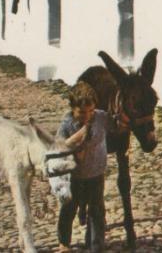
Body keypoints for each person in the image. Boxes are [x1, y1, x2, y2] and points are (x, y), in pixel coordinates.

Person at [57, 81, 115, 253]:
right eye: (82, 112)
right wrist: (75, 145)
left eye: (90, 111)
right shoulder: (67, 123)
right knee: (69, 208)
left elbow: (117, 126)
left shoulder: (101, 117)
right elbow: (59, 146)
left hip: (96, 172)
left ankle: (95, 245)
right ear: (72, 109)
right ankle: (64, 242)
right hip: (74, 175)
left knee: (96, 209)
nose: (87, 115)